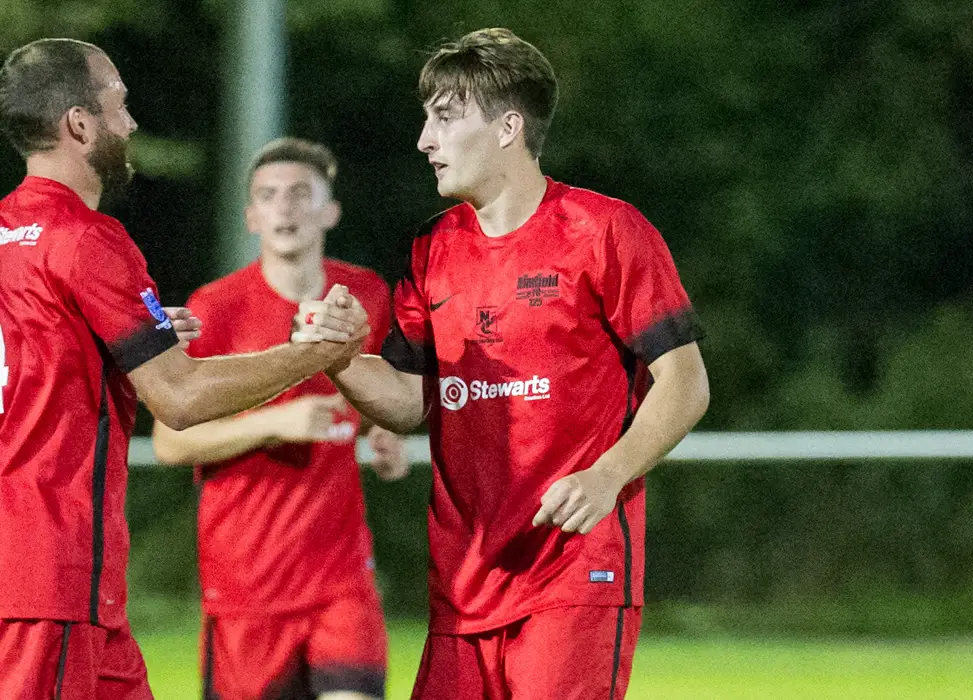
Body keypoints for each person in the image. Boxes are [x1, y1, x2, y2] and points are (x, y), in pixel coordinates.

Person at [298, 28, 711, 700]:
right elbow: (411, 400)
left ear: (507, 128)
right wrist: (340, 356)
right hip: (462, 583)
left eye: (444, 117)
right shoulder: (434, 247)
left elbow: (686, 381)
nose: (424, 140)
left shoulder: (605, 231)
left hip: (573, 574)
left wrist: (607, 475)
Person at [0, 39, 367, 699]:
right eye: (119, 105)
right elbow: (183, 397)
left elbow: (33, 341)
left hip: (69, 585)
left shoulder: (16, 238)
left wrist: (128, 332)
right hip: (45, 575)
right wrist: (316, 354)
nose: (131, 124)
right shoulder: (89, 240)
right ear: (79, 125)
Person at [151, 137, 408, 700]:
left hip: (341, 578)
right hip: (247, 584)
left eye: (299, 193)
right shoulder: (216, 308)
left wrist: (383, 431)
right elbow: (169, 442)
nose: (284, 208)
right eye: (268, 196)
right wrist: (276, 422)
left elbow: (378, 396)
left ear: (330, 210)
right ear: (251, 216)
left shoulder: (365, 296)